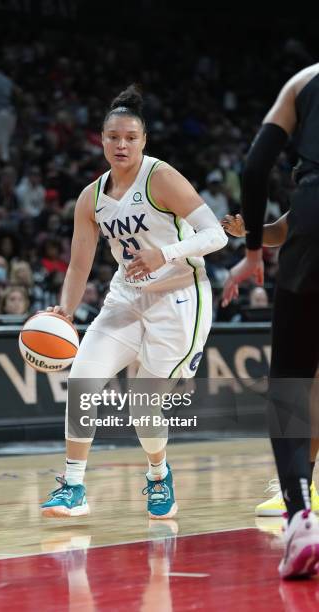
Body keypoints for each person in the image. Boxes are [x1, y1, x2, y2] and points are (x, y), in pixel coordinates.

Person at [40, 85, 227, 519]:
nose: (121, 144)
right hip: (125, 296)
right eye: (113, 137)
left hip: (179, 297)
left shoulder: (161, 177)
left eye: (130, 138)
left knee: (143, 405)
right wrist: (65, 311)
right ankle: (73, 486)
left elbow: (215, 234)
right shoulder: (91, 197)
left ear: (143, 141)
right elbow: (78, 264)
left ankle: (159, 475)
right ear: (101, 140)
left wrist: (165, 253)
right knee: (83, 378)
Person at [221, 64, 319, 579]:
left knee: (290, 387)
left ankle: (301, 515)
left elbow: (255, 168)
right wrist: (257, 231)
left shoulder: (304, 83)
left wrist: (253, 249)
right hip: (306, 220)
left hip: (313, 219)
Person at [223, 212, 319, 516]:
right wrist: (249, 232)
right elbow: (280, 230)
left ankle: (299, 486)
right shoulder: (310, 180)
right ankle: (300, 486)